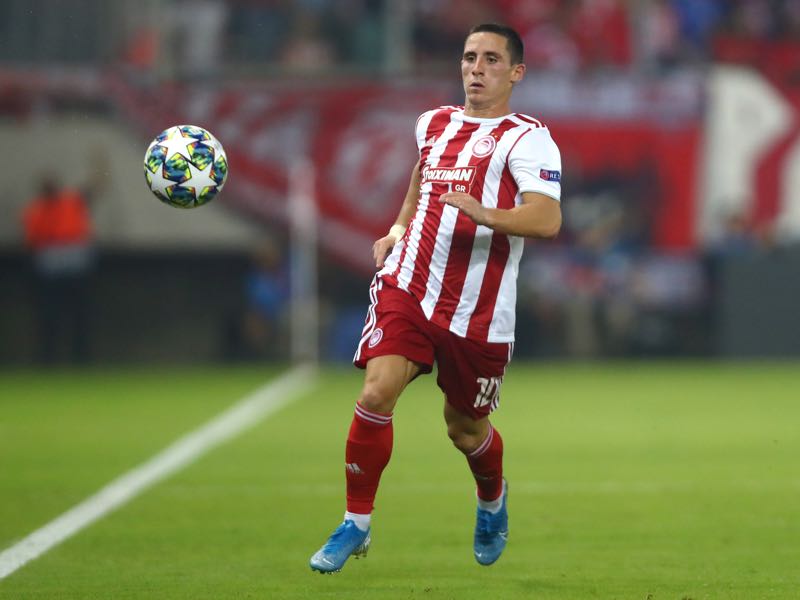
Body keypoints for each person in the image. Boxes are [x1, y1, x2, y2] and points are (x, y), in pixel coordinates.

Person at [309, 23, 563, 573]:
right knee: (376, 392)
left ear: (516, 72)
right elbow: (422, 181)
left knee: (463, 428)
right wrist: (400, 228)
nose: (476, 68)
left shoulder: (529, 138)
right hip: (409, 283)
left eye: (492, 59)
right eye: (470, 57)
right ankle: (356, 523)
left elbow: (547, 218)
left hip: (480, 310)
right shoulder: (433, 123)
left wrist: (486, 212)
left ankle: (492, 501)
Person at [21, 175, 97, 364]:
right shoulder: (36, 210)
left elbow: (94, 189)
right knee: (49, 312)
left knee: (80, 312)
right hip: (51, 260)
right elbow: (32, 241)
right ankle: (48, 356)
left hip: (74, 258)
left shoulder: (70, 202)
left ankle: (81, 356)